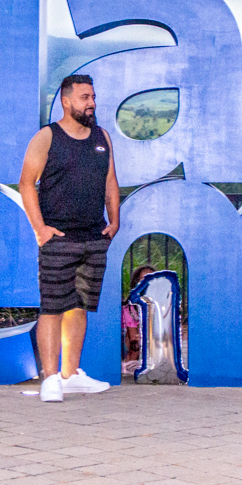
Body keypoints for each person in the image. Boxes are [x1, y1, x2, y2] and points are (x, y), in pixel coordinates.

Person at [19, 74, 121, 403]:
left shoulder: (102, 136)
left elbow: (110, 181)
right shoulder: (47, 137)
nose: (91, 102)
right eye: (84, 97)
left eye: (93, 96)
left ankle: (70, 374)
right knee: (52, 308)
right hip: (58, 237)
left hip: (93, 236)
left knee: (78, 306)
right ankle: (50, 378)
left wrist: (115, 219)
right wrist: (40, 228)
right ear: (67, 102)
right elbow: (26, 183)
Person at [121, 265, 155, 374]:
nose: (147, 283)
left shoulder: (159, 306)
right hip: (127, 345)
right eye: (143, 279)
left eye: (151, 279)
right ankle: (128, 364)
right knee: (136, 340)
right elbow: (133, 339)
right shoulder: (130, 307)